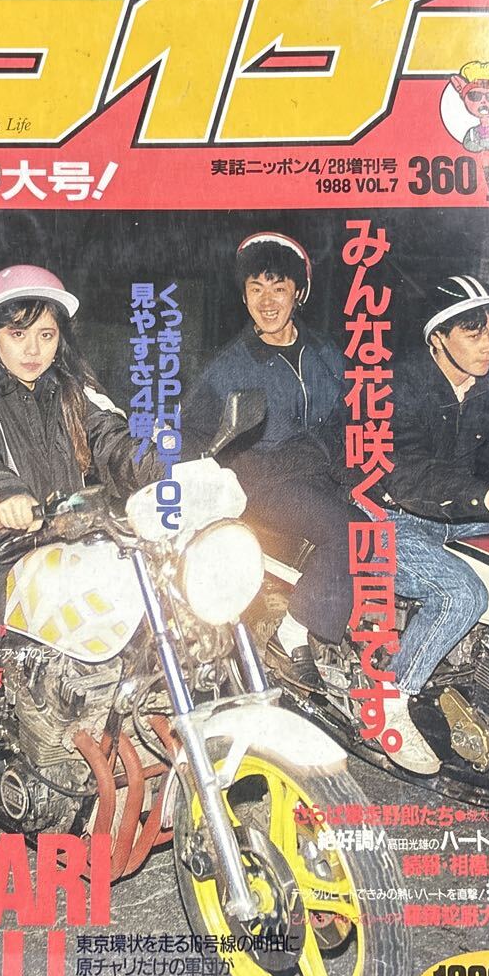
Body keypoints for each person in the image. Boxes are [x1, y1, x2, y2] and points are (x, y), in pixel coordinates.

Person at [0, 265, 165, 827]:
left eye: (45, 335)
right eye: (18, 333)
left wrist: (164, 470)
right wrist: (0, 499)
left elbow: (116, 442)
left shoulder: (75, 390)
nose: (32, 349)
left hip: (62, 530)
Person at [376, 275, 489, 773]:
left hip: (455, 519)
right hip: (384, 517)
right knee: (462, 594)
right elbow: (408, 473)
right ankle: (389, 702)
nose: (488, 346)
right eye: (473, 334)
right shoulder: (395, 387)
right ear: (438, 338)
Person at [185, 232, 364, 677]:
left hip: (322, 473)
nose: (267, 302)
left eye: (278, 288)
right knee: (347, 531)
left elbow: (352, 417)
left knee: (383, 527)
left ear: (298, 293)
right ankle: (292, 633)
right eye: (256, 289)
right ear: (244, 296)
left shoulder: (325, 354)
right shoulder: (231, 366)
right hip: (264, 480)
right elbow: (190, 432)